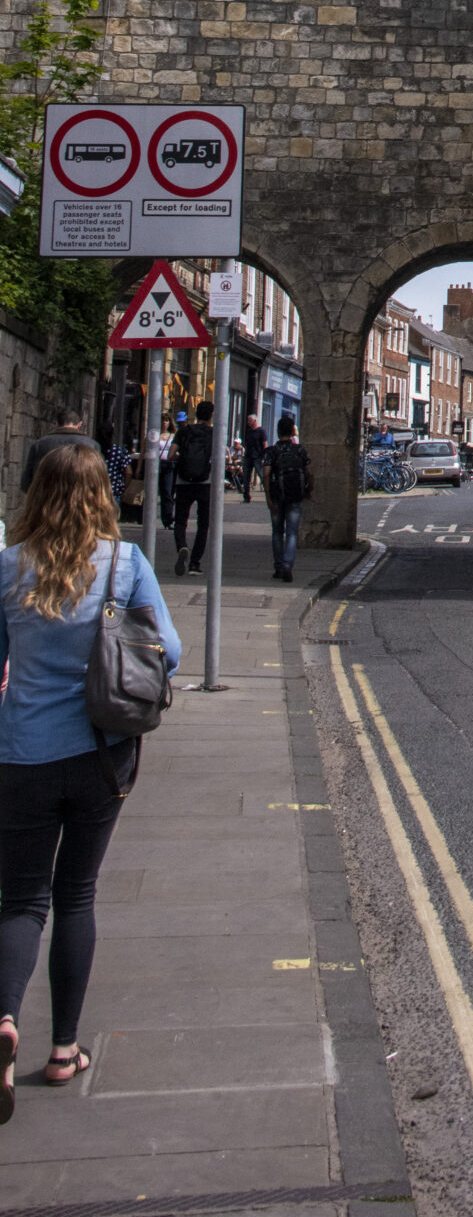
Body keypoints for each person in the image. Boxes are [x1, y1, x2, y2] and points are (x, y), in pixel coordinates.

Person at [0, 442, 181, 1115]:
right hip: (101, 753)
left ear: (35, 493)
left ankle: (4, 1020)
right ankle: (63, 1049)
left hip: (22, 754)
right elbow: (170, 651)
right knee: (75, 893)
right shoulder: (125, 563)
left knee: (21, 901)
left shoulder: (7, 567)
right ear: (102, 494)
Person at [170, 401, 217, 578]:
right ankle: (195, 564)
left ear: (196, 414)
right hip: (205, 482)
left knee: (180, 520)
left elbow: (170, 454)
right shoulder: (213, 433)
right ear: (211, 416)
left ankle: (182, 546)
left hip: (183, 481)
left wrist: (182, 459)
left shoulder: (184, 431)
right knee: (203, 524)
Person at [265, 416, 313, 582]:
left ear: (278, 431)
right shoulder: (299, 450)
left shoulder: (272, 451)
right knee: (292, 533)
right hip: (295, 496)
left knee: (277, 532)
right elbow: (309, 473)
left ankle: (279, 567)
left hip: (276, 495)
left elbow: (266, 474)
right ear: (292, 431)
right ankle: (288, 565)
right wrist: (309, 490)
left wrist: (268, 497)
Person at [19, 410, 97, 497]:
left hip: (48, 500)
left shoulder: (39, 444)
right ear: (79, 424)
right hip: (79, 500)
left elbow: (27, 483)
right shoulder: (92, 446)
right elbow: (99, 481)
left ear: (56, 424)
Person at [240, 415, 267, 503]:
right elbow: (247, 444)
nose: (248, 422)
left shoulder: (261, 431)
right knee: (246, 477)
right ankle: (246, 497)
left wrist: (264, 457)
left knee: (262, 475)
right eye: (248, 420)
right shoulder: (249, 432)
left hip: (258, 457)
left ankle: (270, 494)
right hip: (248, 456)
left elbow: (265, 444)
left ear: (255, 421)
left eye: (250, 420)